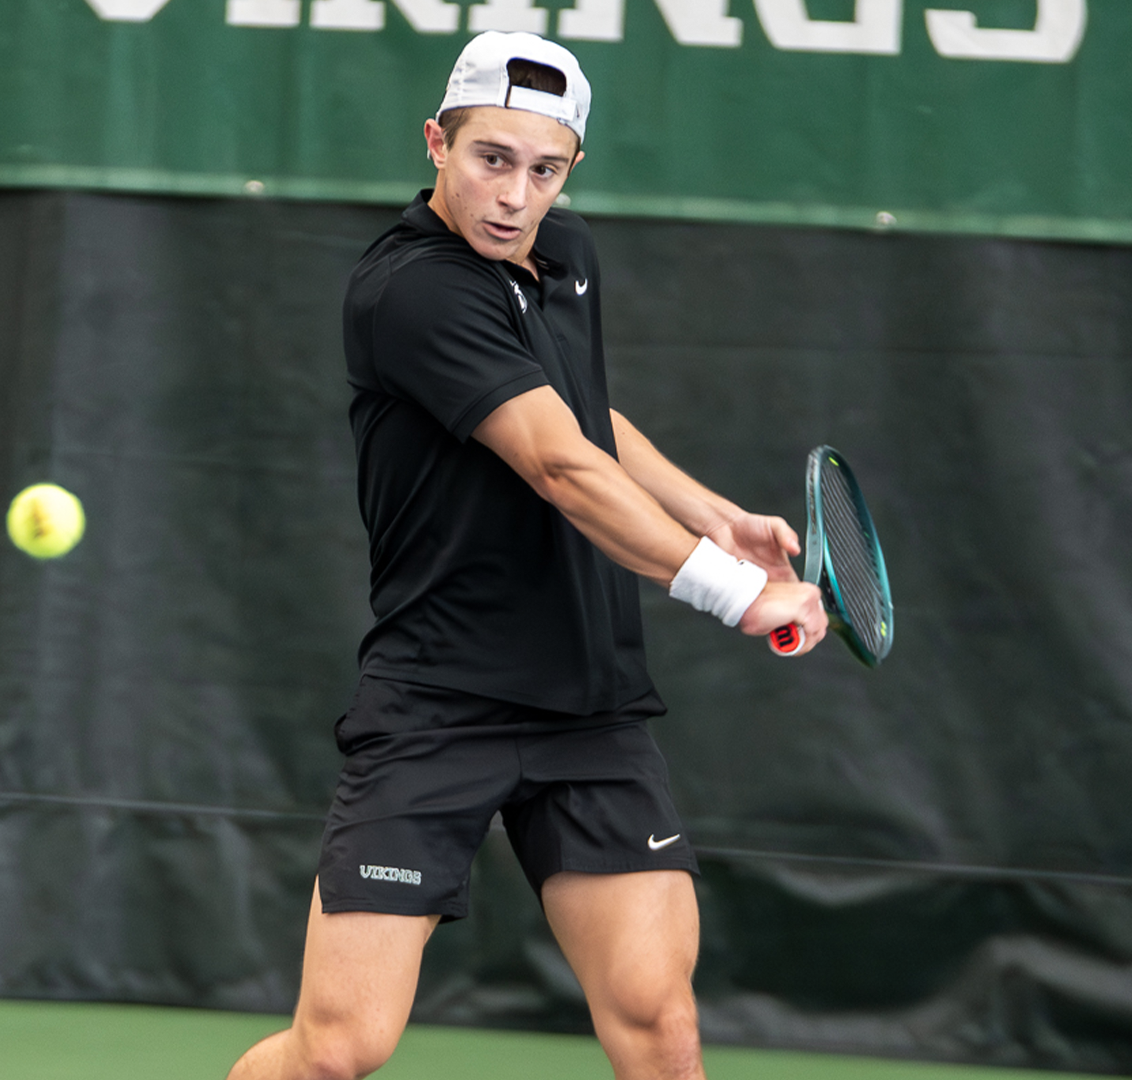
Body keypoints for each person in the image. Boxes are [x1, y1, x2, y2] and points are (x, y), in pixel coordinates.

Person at [227, 31, 827, 1080]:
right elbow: (560, 465)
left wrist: (713, 514)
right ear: (436, 142)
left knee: (660, 1027)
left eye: (544, 169)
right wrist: (735, 592)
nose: (514, 196)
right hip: (439, 703)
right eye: (491, 159)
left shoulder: (566, 255)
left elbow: (581, 412)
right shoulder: (412, 290)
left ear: (573, 167)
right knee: (338, 1051)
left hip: (588, 707)